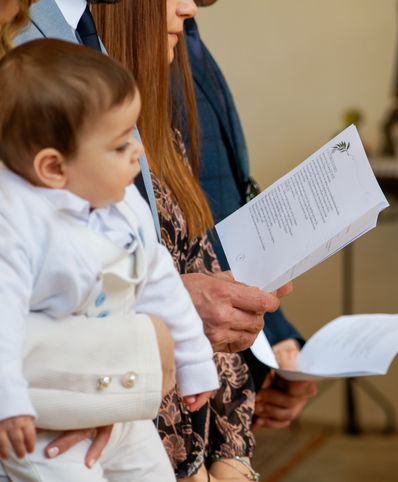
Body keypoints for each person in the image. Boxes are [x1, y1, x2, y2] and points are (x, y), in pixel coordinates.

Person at [0, 38, 220, 480]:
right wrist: (9, 402)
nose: (138, 152)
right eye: (120, 146)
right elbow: (3, 319)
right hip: (46, 422)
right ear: (53, 168)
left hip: (123, 406)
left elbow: (160, 280)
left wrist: (194, 360)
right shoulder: (17, 222)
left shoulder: (121, 203)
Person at [179, 3, 317, 430]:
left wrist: (279, 340)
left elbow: (223, 202)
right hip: (185, 370)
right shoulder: (133, 42)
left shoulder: (185, 33)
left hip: (227, 347)